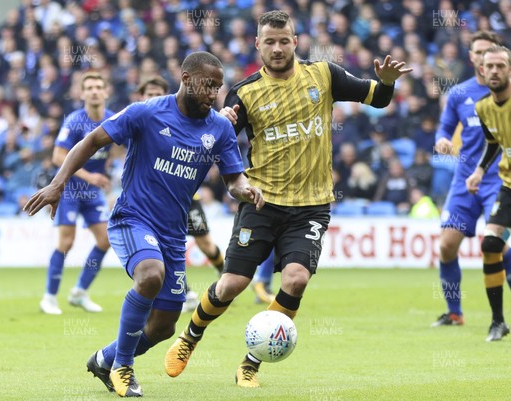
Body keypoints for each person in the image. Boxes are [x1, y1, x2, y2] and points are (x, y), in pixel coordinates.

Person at [164, 10, 411, 388]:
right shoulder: (244, 93)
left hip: (311, 205)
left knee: (295, 281)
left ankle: (250, 363)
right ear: (257, 44)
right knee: (232, 284)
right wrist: (221, 123)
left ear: (295, 42)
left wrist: (388, 83)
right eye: (270, 42)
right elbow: (214, 143)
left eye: (284, 41)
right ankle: (190, 337)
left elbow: (376, 98)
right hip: (261, 201)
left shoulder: (324, 75)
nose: (277, 48)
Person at [23, 52, 263, 397]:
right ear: (186, 78)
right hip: (132, 218)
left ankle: (104, 359)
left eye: (217, 87)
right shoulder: (147, 112)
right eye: (207, 85)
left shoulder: (220, 128)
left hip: (172, 231)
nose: (213, 93)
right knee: (150, 275)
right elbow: (91, 140)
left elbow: (233, 180)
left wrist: (246, 190)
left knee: (165, 325)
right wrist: (58, 183)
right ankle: (123, 367)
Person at [136, 76, 276, 309]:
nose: (153, 98)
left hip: (187, 199)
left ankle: (226, 278)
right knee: (158, 249)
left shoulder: (176, 118)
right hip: (152, 203)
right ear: (141, 97)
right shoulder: (140, 121)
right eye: (148, 94)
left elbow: (199, 134)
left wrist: (218, 121)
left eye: (157, 93)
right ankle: (185, 292)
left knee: (206, 245)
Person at [431, 31, 511, 327]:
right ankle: (454, 313)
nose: (483, 58)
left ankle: (499, 317)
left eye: (489, 53)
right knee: (446, 246)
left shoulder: (504, 93)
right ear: (472, 58)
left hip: (497, 182)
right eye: (478, 53)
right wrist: (441, 141)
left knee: (497, 246)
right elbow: (444, 128)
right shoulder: (459, 94)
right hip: (465, 181)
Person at [38, 71, 114, 315]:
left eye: (98, 86)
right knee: (66, 242)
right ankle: (49, 297)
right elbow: (58, 156)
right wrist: (89, 175)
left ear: (105, 92)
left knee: (105, 239)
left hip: (93, 192)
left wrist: (109, 173)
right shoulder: (74, 120)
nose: (94, 90)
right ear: (82, 93)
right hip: (69, 188)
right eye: (89, 87)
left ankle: (80, 292)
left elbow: (118, 148)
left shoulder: (113, 119)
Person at [466, 45, 511, 342]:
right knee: (491, 242)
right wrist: (480, 169)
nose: (494, 71)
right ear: (481, 71)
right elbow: (494, 141)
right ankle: (497, 321)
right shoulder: (483, 107)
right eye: (489, 66)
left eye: (500, 66)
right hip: (509, 184)